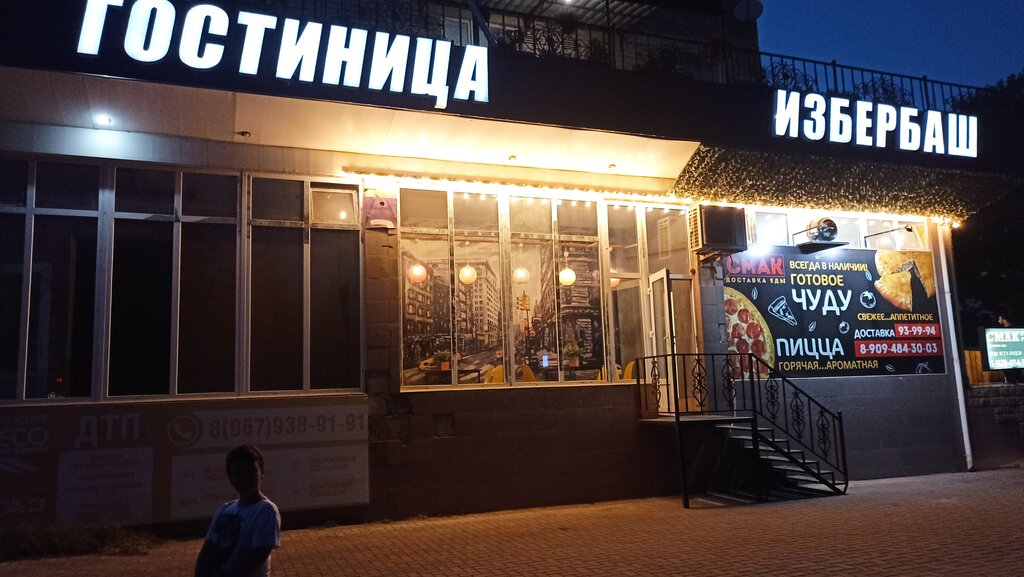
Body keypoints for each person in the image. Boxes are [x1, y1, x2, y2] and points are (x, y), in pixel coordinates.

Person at [195, 445, 281, 577]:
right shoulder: (224, 510)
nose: (245, 477)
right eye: (238, 472)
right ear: (230, 477)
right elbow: (206, 553)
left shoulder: (266, 510)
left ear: (262, 472)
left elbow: (256, 558)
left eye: (251, 471)